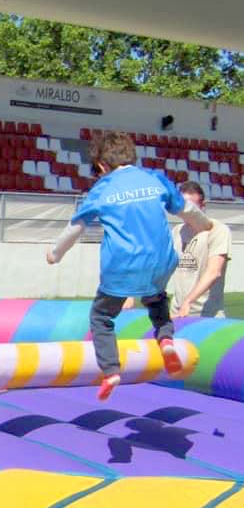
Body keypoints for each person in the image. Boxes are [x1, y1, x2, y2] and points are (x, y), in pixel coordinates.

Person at [47, 131, 211, 400]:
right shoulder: (153, 178)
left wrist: (55, 254)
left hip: (122, 266)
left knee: (102, 317)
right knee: (157, 300)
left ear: (102, 166)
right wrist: (204, 224)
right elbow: (187, 210)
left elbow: (76, 227)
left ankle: (111, 370)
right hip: (161, 262)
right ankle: (166, 340)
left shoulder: (102, 188)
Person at [169, 181, 232, 318]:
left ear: (203, 206)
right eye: (182, 207)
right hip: (177, 312)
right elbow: (163, 267)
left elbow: (214, 272)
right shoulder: (177, 231)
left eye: (191, 207)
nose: (186, 212)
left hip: (208, 315)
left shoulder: (218, 230)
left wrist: (188, 301)